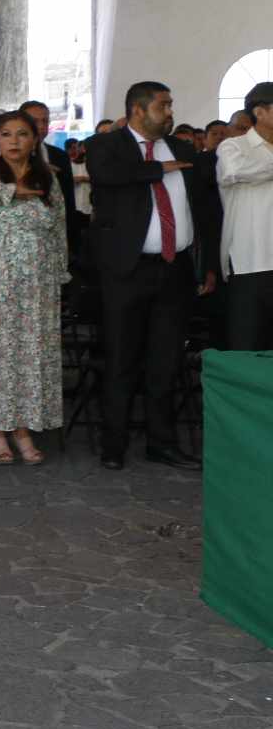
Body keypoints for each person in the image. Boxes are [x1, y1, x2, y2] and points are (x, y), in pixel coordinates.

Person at [83, 80, 222, 471]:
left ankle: (162, 443)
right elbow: (109, 175)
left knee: (166, 360)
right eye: (163, 105)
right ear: (138, 110)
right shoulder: (107, 146)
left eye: (171, 104)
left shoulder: (181, 148)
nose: (170, 111)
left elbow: (204, 210)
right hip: (127, 271)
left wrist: (206, 262)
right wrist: (158, 169)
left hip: (174, 269)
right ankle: (114, 444)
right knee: (122, 359)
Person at [0, 113, 70, 464]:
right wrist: (14, 190)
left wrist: (59, 273)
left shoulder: (48, 179)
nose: (13, 141)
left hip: (37, 280)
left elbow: (59, 229)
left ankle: (23, 427)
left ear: (34, 139)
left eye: (22, 134)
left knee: (29, 352)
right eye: (5, 134)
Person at [216, 81, 273, 351]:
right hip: (250, 259)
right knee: (248, 346)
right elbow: (235, 171)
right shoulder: (233, 147)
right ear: (260, 112)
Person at [21, 100, 83, 255]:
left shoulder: (60, 156)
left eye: (45, 121)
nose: (41, 126)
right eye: (35, 121)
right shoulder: (10, 156)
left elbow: (68, 198)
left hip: (55, 240)